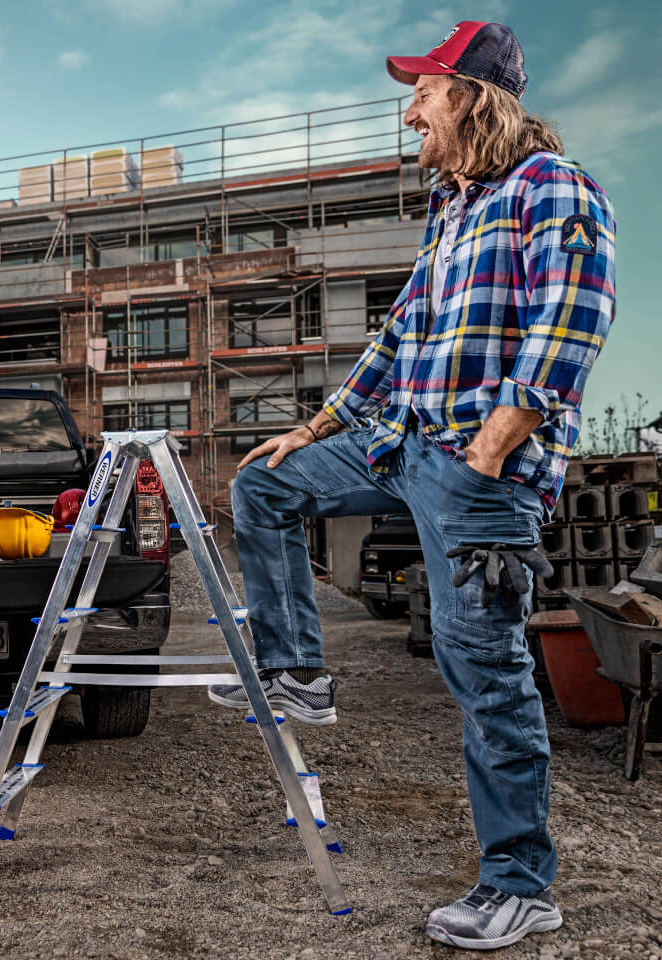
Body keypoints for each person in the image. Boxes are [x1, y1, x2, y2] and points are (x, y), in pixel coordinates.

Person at [207, 22, 615, 951]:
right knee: (264, 488)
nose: (411, 110)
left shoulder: (547, 188)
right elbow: (395, 341)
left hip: (478, 474)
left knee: (488, 677)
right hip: (400, 446)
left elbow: (576, 314)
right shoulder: (451, 208)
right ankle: (297, 671)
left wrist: (501, 438)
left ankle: (519, 882)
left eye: (424, 91)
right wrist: (313, 429)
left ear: (472, 95)